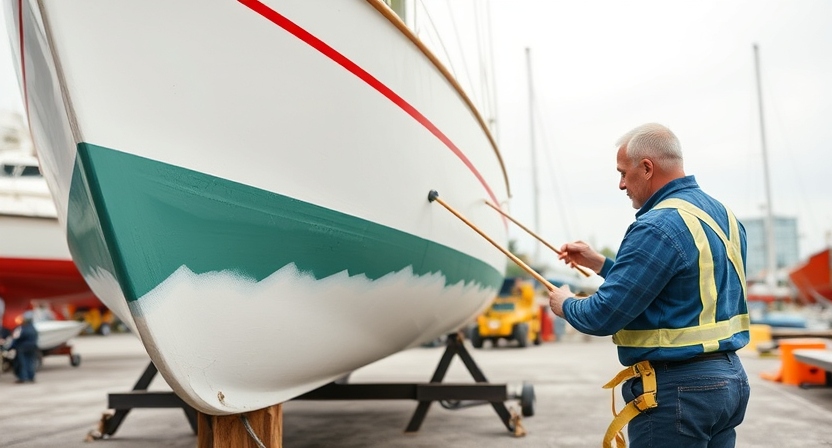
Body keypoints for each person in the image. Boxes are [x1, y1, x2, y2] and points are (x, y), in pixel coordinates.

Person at [548, 123, 750, 448]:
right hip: (729, 382)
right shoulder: (724, 217)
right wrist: (600, 264)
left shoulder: (658, 226)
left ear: (646, 168)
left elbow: (604, 314)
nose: (621, 184)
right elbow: (678, 287)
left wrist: (566, 303)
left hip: (679, 391)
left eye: (623, 173)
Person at [9, 310, 39, 383]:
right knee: (31, 362)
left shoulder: (21, 328)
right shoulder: (33, 328)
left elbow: (16, 338)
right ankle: (31, 377)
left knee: (22, 363)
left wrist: (10, 347)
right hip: (32, 347)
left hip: (22, 348)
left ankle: (23, 377)